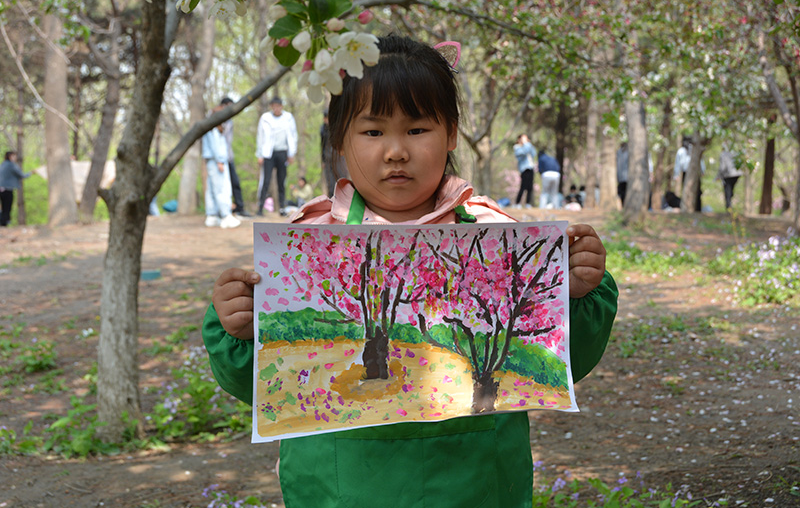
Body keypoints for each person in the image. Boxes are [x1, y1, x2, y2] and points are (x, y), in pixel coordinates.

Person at [202, 35, 618, 508]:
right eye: (373, 131)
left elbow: (558, 364)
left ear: (452, 133)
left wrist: (578, 296)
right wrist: (237, 329)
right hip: (339, 487)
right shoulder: (305, 242)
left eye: (418, 129)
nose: (396, 151)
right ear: (339, 137)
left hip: (477, 483)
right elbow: (264, 385)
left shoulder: (500, 237)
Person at [256, 96, 298, 217]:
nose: (276, 108)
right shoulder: (265, 118)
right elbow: (260, 136)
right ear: (271, 107)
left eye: (278, 106)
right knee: (266, 180)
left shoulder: (288, 118)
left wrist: (291, 153)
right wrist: (259, 154)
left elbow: (293, 135)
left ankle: (282, 208)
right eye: (274, 106)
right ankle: (260, 208)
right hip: (268, 153)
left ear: (281, 106)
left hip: (282, 152)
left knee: (281, 181)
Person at [202, 108, 241, 229]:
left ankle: (212, 215)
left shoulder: (214, 129)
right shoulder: (212, 129)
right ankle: (225, 215)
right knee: (221, 189)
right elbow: (215, 146)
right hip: (216, 161)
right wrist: (219, 160)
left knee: (212, 189)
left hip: (215, 161)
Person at [219, 96, 251, 217]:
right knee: (223, 186)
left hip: (229, 157)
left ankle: (239, 207)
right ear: (224, 107)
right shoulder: (217, 121)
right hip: (220, 158)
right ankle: (223, 210)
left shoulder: (230, 122)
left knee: (235, 182)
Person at [320, 109, 349, 196]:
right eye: (325, 118)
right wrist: (323, 160)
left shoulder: (339, 127)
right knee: (330, 183)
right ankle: (332, 202)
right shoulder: (323, 129)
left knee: (341, 179)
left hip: (339, 157)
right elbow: (322, 145)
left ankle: (344, 200)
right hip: (328, 158)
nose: (327, 120)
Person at [0, 150, 31, 227]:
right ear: (10, 157)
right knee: (7, 207)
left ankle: (3, 222)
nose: (15, 158)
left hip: (1, 189)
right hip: (7, 189)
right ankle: (4, 223)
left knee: (3, 207)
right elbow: (22, 175)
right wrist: (31, 173)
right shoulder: (11, 165)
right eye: (14, 156)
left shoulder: (3, 164)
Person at [673, 136, 703, 211]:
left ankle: (697, 209)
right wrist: (676, 175)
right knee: (686, 191)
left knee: (697, 191)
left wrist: (702, 171)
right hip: (686, 173)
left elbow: (701, 161)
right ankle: (687, 208)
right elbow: (677, 164)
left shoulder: (694, 149)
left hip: (695, 172)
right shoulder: (681, 151)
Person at [513, 133, 536, 208]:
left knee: (530, 187)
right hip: (524, 169)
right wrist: (526, 144)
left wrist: (528, 144)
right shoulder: (517, 147)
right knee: (523, 186)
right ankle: (517, 203)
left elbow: (533, 153)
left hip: (531, 167)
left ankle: (528, 203)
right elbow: (524, 152)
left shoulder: (528, 146)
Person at [717, 145, 743, 210]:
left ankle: (728, 206)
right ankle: (729, 204)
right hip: (736, 174)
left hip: (728, 175)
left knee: (727, 189)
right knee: (730, 189)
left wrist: (719, 175)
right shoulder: (735, 153)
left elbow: (722, 167)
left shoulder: (723, 155)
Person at [616, 141, 629, 206]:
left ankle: (624, 205)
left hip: (621, 177)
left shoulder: (618, 152)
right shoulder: (628, 152)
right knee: (625, 192)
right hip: (627, 177)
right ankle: (625, 205)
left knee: (622, 193)